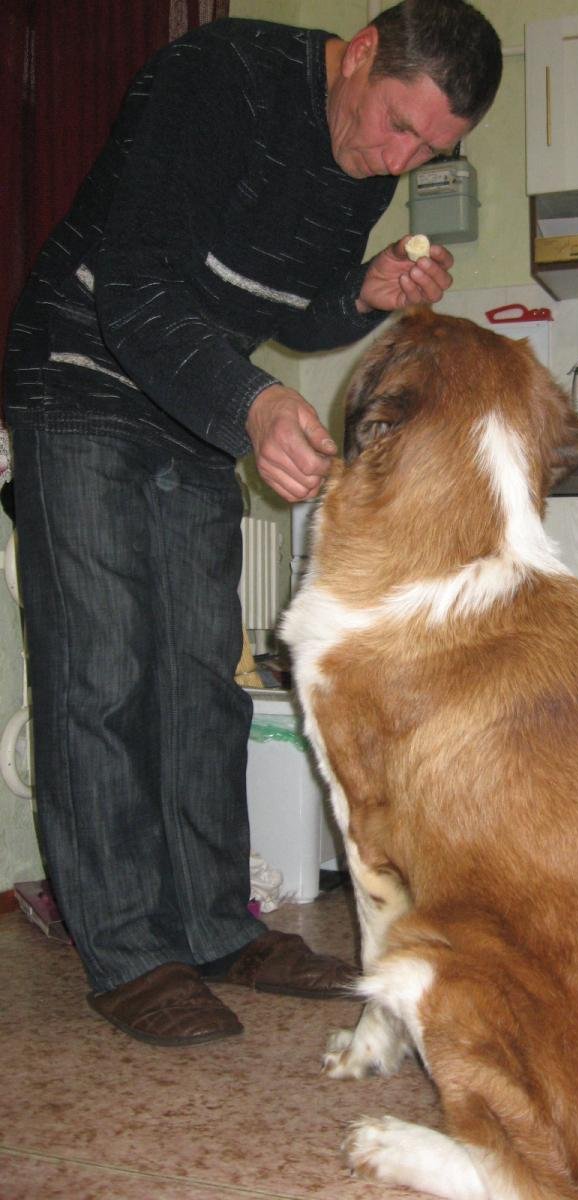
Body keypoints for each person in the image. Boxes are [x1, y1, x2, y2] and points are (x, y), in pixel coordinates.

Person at [3, 0, 502, 1047]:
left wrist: (363, 292)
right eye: (398, 125)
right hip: (82, 371)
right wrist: (253, 405)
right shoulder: (217, 79)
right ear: (361, 53)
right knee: (102, 671)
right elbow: (136, 285)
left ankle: (216, 928)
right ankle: (128, 951)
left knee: (202, 676)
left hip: (188, 401)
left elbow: (282, 308)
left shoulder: (363, 160)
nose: (398, 161)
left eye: (429, 150)